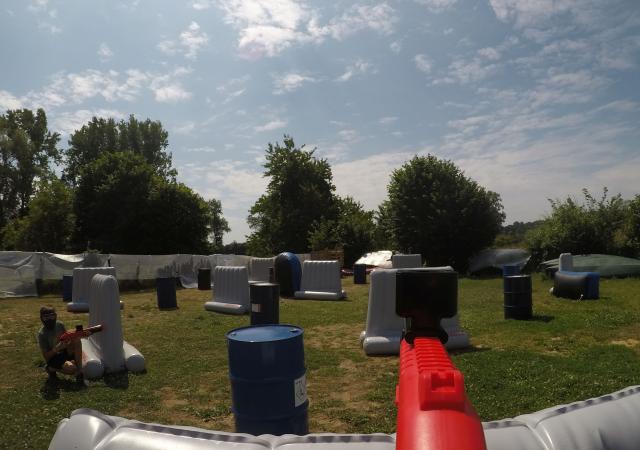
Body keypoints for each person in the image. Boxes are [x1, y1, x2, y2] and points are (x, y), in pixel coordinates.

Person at [37, 306, 83, 382]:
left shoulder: (60, 325)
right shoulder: (42, 334)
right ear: (42, 318)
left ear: (55, 316)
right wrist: (57, 348)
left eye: (52, 316)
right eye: (46, 317)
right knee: (72, 369)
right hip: (54, 358)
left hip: (64, 352)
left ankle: (80, 372)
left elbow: (67, 338)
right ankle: (50, 368)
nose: (50, 319)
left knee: (76, 339)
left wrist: (76, 334)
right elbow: (46, 357)